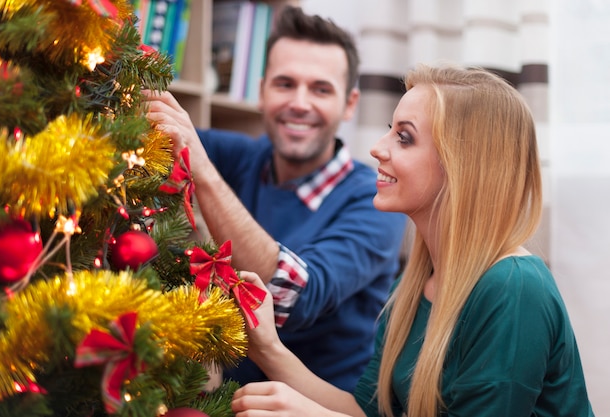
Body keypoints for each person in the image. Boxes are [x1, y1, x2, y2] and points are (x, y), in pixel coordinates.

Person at [229, 63, 595, 417]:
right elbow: (366, 412)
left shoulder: (514, 288)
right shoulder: (414, 285)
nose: (377, 148)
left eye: (404, 137)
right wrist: (267, 348)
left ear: (461, 165)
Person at [145, 5, 407, 392]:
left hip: (323, 408)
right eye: (285, 84)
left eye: (320, 89)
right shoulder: (246, 158)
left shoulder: (376, 198)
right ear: (263, 91)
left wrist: (200, 168)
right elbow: (153, 132)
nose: (300, 102)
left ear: (349, 104)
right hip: (231, 402)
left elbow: (291, 299)